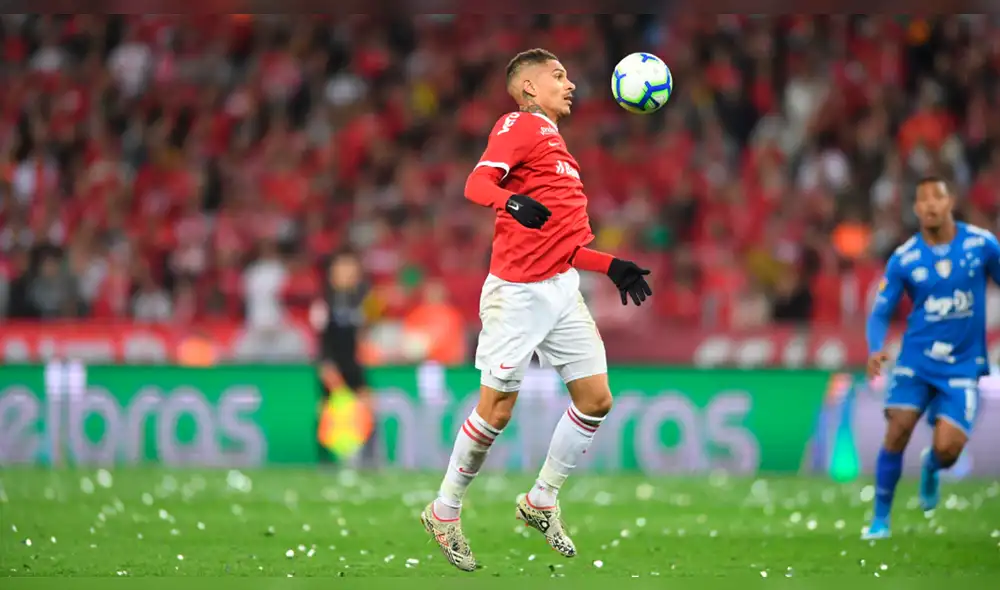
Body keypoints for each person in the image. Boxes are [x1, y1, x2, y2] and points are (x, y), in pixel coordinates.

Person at [419, 48, 653, 571]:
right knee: (497, 410)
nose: (570, 84)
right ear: (528, 88)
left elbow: (563, 245)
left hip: (561, 287)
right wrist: (509, 201)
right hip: (517, 293)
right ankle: (444, 509)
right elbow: (476, 184)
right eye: (558, 76)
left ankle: (542, 499)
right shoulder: (519, 125)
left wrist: (611, 265)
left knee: (595, 399)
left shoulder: (559, 149)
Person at [863, 176, 1000, 540]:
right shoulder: (905, 257)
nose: (930, 205)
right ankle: (879, 520)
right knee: (897, 431)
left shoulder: (982, 244)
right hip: (916, 361)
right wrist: (875, 347)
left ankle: (932, 466)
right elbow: (880, 311)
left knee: (949, 449)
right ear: (916, 209)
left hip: (963, 364)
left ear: (950, 200)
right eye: (922, 200)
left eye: (937, 197)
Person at [311, 250, 374, 465]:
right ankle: (325, 464)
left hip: (354, 366)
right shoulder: (325, 303)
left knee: (367, 411)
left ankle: (368, 460)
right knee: (328, 416)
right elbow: (322, 342)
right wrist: (326, 367)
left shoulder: (361, 299)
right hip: (333, 366)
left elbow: (362, 335)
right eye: (342, 268)